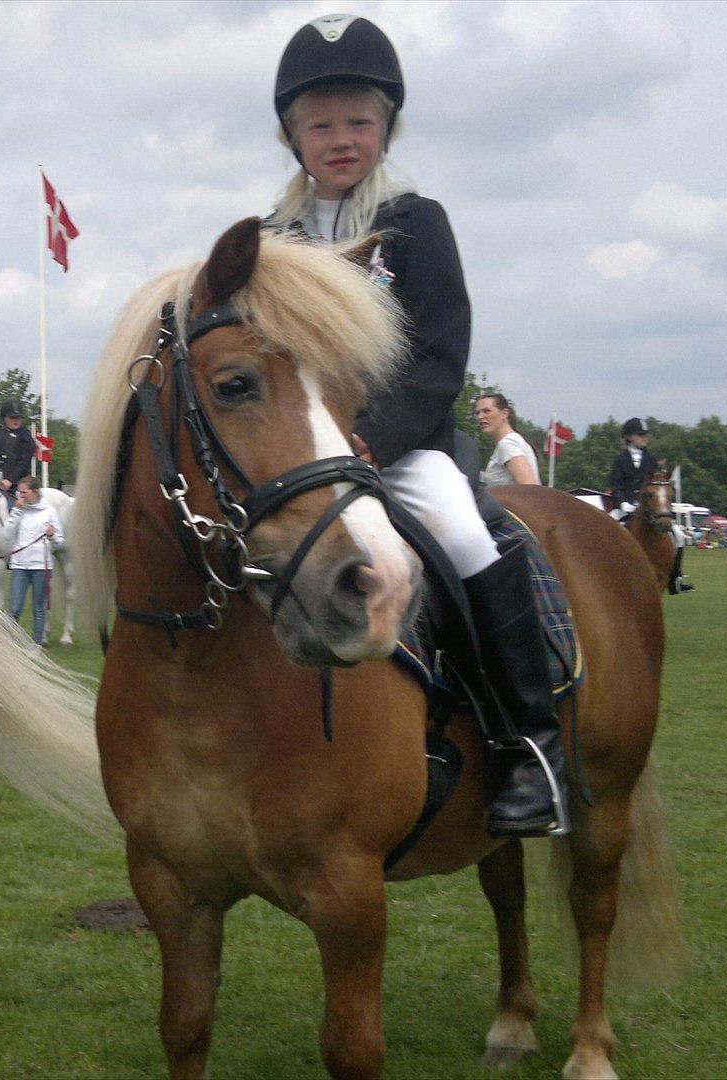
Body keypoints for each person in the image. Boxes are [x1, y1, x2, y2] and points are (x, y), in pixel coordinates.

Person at [266, 14, 567, 837]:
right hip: (301, 456)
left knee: (464, 535)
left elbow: (439, 353)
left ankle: (528, 749)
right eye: (319, 124)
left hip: (398, 451)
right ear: (292, 135)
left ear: (385, 127)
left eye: (359, 121)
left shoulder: (415, 220)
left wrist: (377, 439)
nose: (340, 138)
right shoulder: (273, 238)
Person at [610, 418, 694, 593]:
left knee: (678, 536)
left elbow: (659, 485)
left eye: (645, 435)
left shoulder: (651, 460)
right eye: (640, 435)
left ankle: (675, 578)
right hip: (624, 507)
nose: (644, 438)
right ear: (629, 437)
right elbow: (616, 485)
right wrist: (623, 503)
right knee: (606, 530)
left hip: (649, 508)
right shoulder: (620, 460)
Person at [4, 475, 64, 646]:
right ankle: (9, 642)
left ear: (35, 491)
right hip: (19, 566)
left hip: (41, 567)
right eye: (19, 492)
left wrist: (52, 536)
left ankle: (37, 643)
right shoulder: (18, 510)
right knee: (15, 608)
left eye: (24, 492)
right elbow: (6, 534)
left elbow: (60, 542)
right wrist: (15, 511)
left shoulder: (50, 512)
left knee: (39, 608)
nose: (20, 495)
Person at [474, 392, 542, 486]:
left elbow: (530, 488)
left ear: (504, 413)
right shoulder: (514, 440)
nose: (480, 417)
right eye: (477, 413)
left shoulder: (507, 445)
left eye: (487, 411)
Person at [0, 399, 37, 505]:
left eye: (18, 418)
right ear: (4, 418)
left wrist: (10, 480)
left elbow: (23, 463)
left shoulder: (26, 437)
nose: (16, 421)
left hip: (17, 487)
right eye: (12, 418)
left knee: (12, 508)